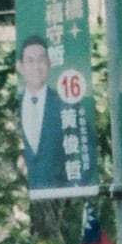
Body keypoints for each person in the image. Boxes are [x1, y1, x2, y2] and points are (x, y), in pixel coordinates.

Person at [16, 36, 88, 192]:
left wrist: (74, 189)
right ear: (20, 67)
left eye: (41, 60)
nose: (36, 67)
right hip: (28, 195)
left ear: (49, 64)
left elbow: (86, 148)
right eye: (30, 61)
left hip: (64, 195)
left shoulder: (66, 103)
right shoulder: (14, 105)